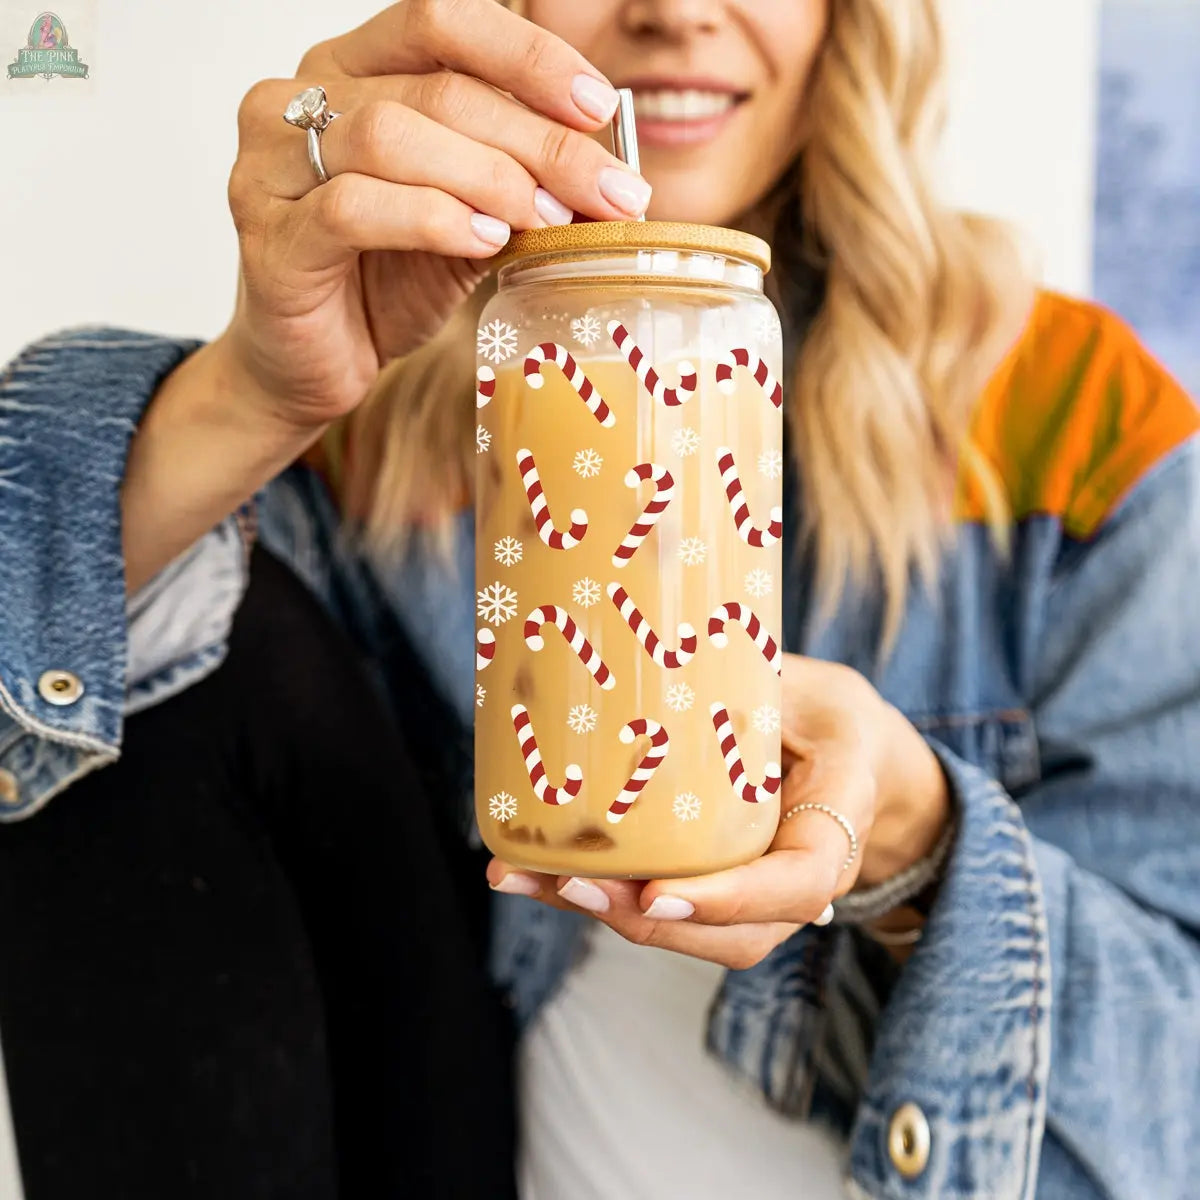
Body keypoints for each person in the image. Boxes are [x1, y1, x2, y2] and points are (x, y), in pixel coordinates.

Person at [2, 0, 1198, 1196]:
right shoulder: (376, 436)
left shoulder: (1083, 434)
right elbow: (88, 734)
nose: (672, 12)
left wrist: (916, 840)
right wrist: (251, 393)